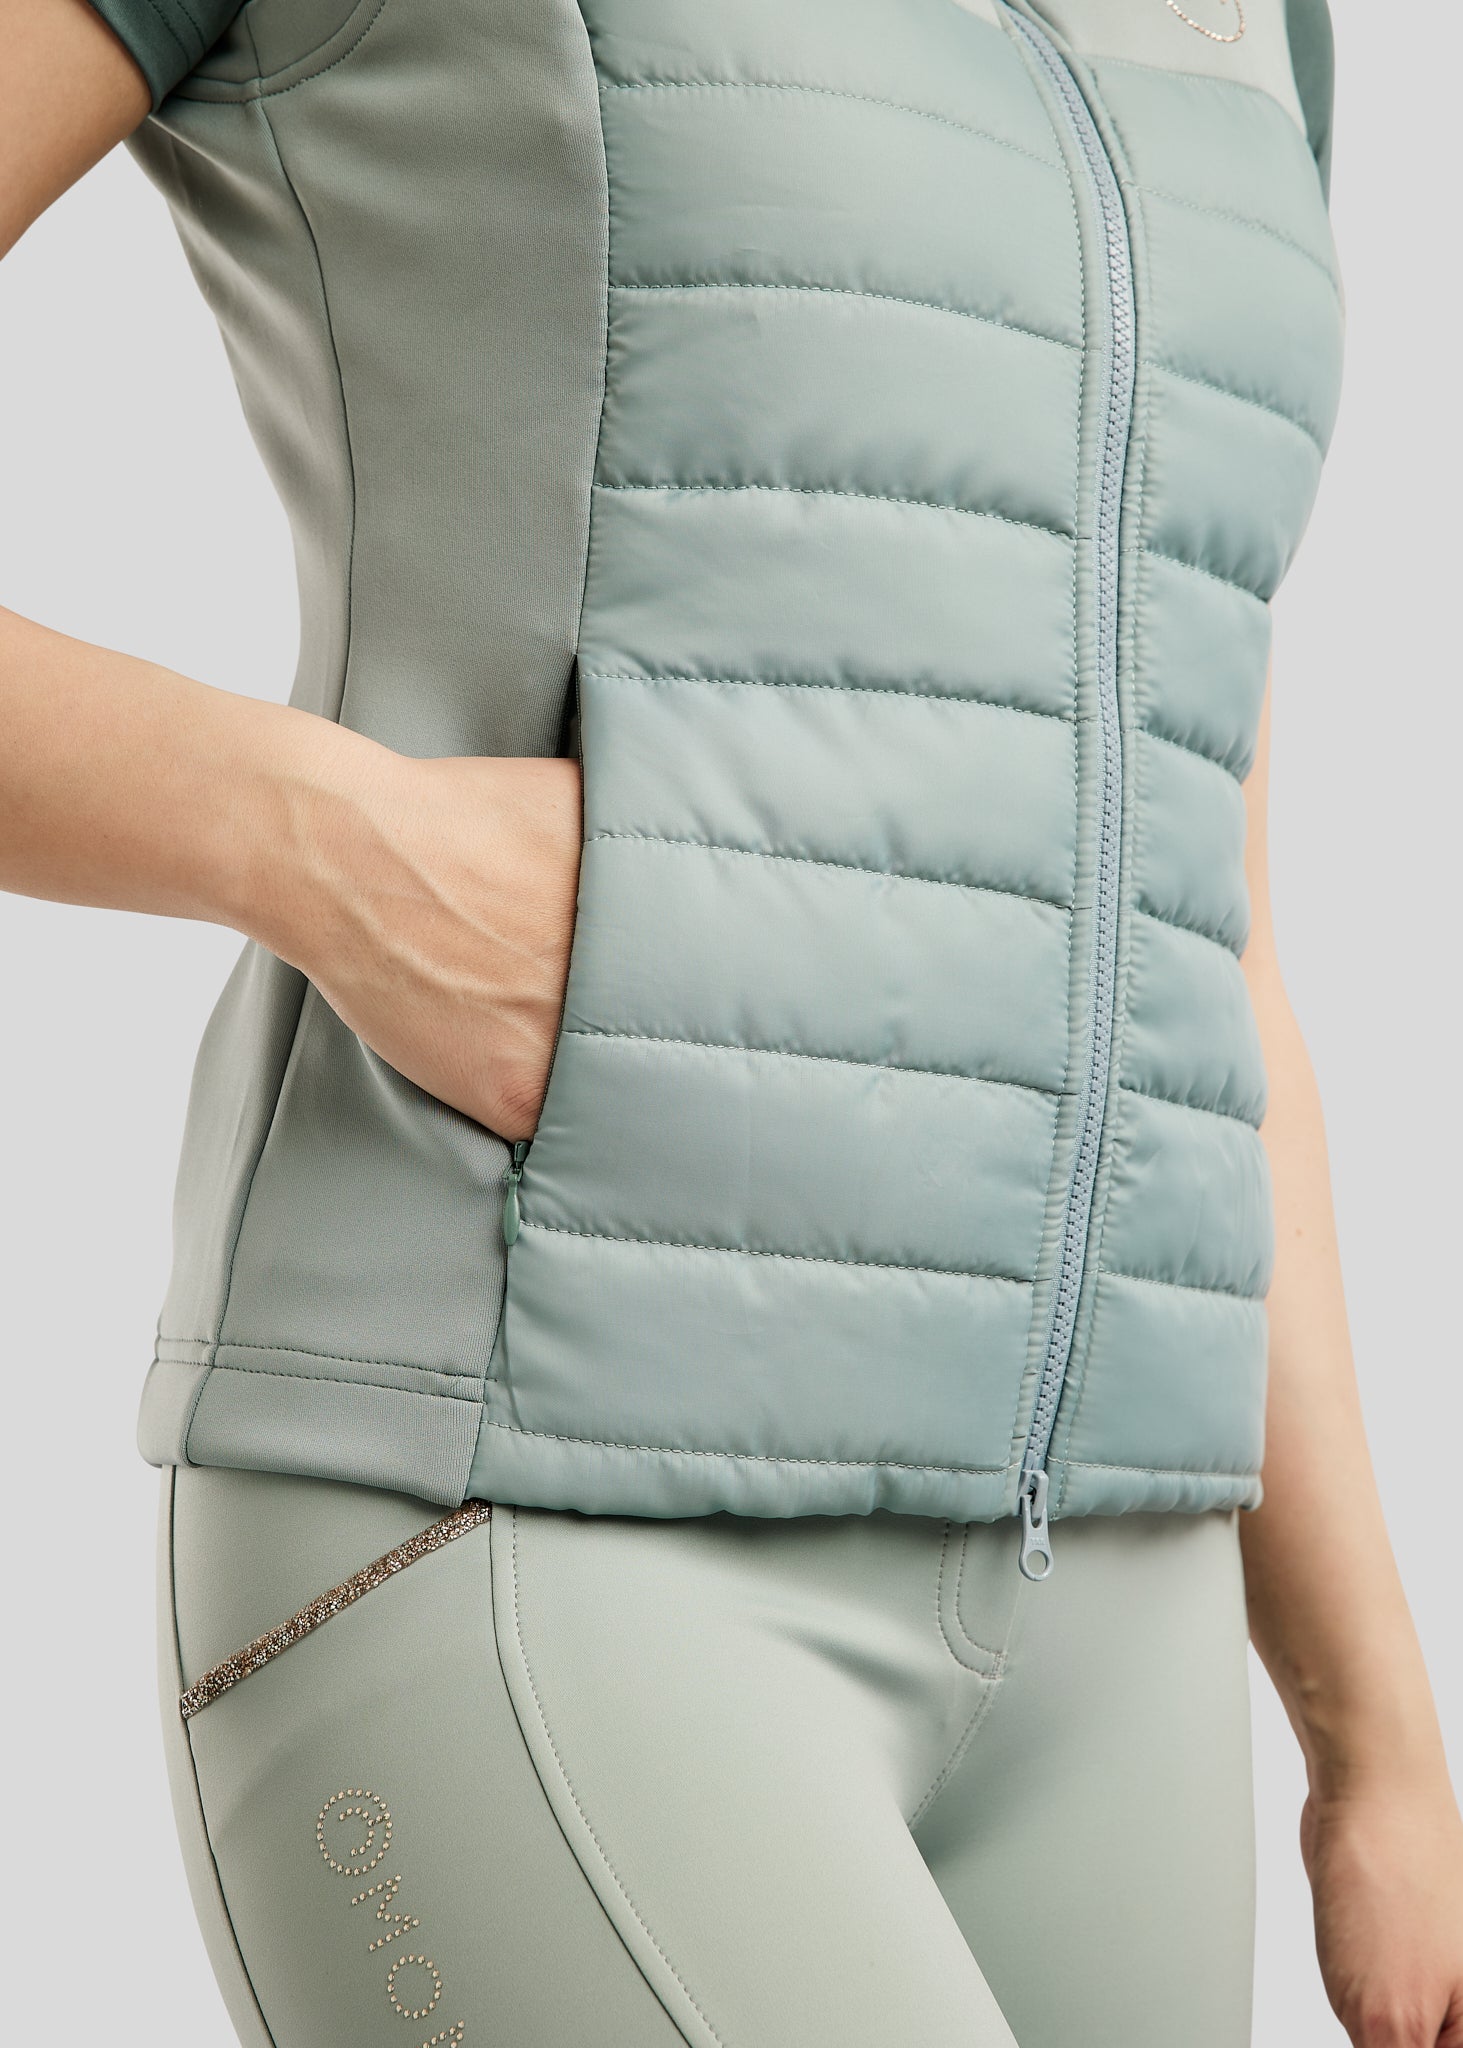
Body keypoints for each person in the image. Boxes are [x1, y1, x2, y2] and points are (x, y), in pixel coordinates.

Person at [3, 0, 1461, 2042]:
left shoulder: (1268, 28)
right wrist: (325, 845)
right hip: (526, 1506)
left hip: (1123, 1612)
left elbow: (1206, 931)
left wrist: (1374, 1732)